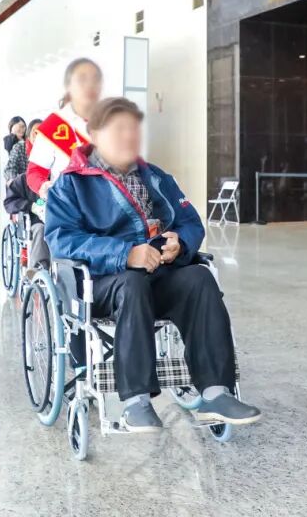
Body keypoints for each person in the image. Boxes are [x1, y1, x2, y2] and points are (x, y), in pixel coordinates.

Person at [46, 97, 262, 431]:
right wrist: (125, 253)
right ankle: (136, 402)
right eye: (119, 129)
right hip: (103, 282)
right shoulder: (71, 184)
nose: (128, 136)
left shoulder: (156, 177)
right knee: (132, 283)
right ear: (95, 134)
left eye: (133, 129)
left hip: (158, 274)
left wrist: (181, 243)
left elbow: (191, 221)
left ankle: (216, 393)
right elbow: (62, 239)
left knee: (200, 278)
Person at [27, 58, 102, 269]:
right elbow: (34, 172)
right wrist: (44, 187)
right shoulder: (54, 126)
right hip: (66, 204)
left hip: (103, 205)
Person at [4, 117, 42, 184]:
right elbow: (10, 168)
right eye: (35, 132)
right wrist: (13, 182)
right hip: (22, 183)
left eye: (23, 127)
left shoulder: (47, 149)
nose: (22, 130)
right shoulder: (19, 146)